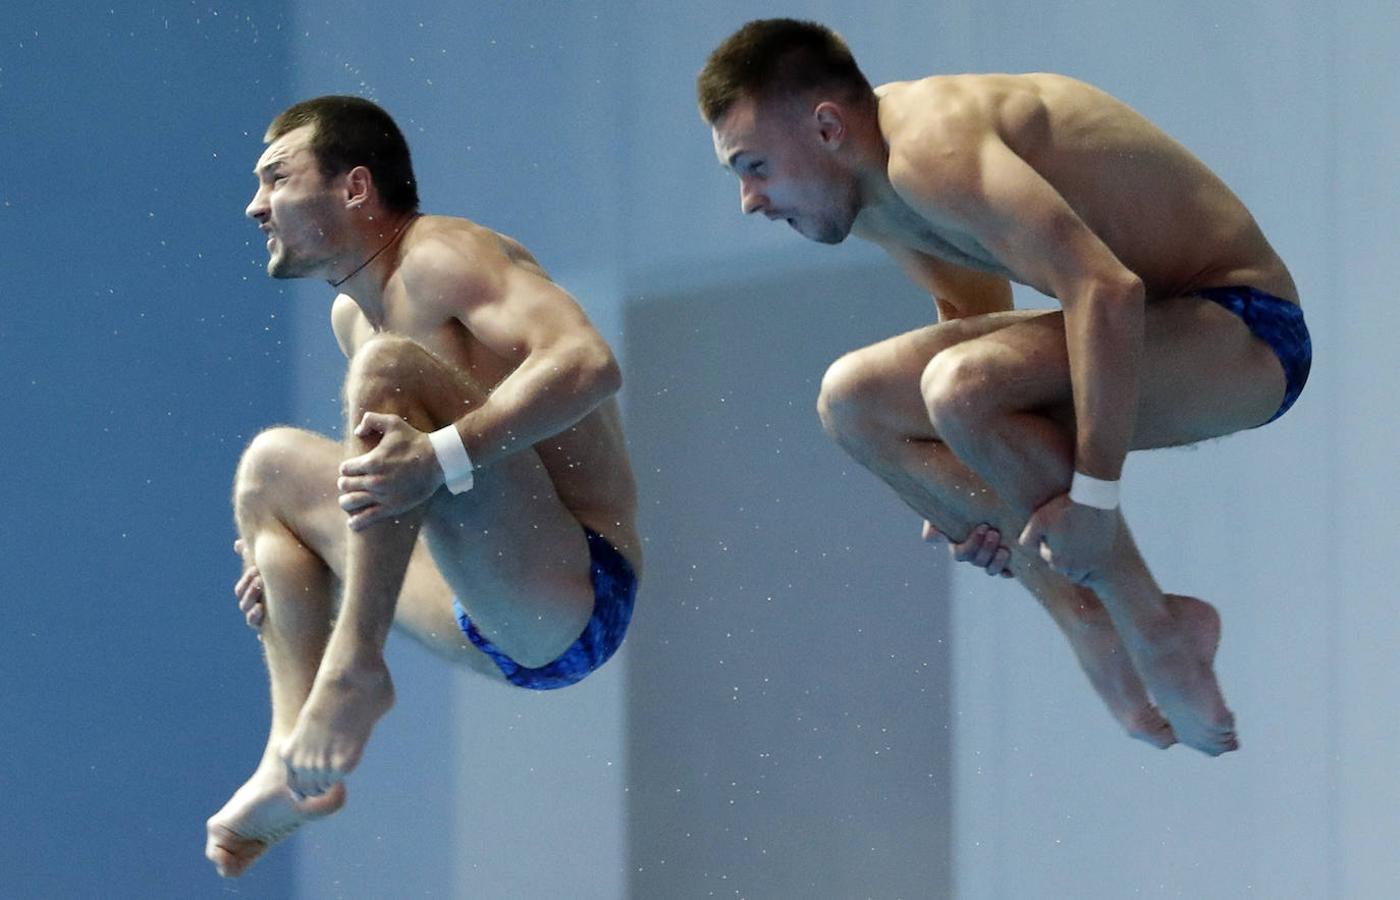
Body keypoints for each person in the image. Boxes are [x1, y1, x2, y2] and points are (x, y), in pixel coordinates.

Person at [699, 19, 1310, 757]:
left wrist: (1095, 497)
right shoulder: (865, 188)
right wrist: (959, 487)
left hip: (1247, 330)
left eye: (753, 165)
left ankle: (1153, 627)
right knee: (852, 404)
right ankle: (1088, 618)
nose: (748, 201)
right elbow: (975, 317)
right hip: (1154, 329)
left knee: (961, 389)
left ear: (827, 127)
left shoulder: (932, 149)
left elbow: (1106, 292)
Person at [205, 96, 641, 877]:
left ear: (355, 188)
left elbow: (588, 363)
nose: (254, 205)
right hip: (482, 611)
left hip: (575, 591)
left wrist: (443, 454)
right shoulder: (353, 315)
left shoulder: (443, 256)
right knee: (268, 467)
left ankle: (354, 670)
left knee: (387, 372)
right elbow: (386, 497)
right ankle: (289, 756)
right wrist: (301, 572)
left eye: (275, 178)